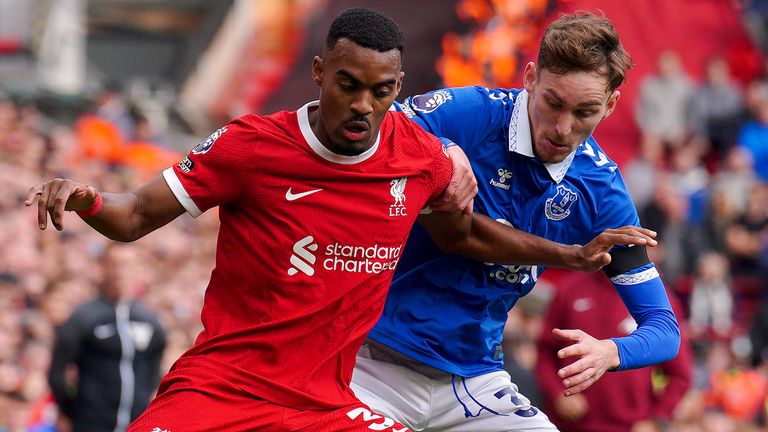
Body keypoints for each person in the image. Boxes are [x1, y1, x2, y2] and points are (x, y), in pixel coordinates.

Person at [25, 8, 653, 432]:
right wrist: (88, 201)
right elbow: (134, 216)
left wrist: (568, 256)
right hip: (223, 387)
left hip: (330, 404)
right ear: (320, 73)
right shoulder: (252, 146)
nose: (362, 106)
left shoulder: (420, 158)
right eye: (347, 84)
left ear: (397, 88)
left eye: (380, 92)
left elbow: (461, 236)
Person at [351, 11, 681, 431]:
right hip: (373, 361)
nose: (563, 128)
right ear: (530, 78)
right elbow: (381, 123)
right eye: (553, 102)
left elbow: (664, 329)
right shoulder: (473, 114)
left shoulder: (602, 192)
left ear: (611, 104)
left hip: (473, 381)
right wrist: (444, 151)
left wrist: (612, 353)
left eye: (585, 111)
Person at [535, 271, 692, 432]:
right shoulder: (570, 287)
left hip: (630, 426)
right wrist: (557, 394)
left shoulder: (655, 298)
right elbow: (545, 352)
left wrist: (656, 420)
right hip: (569, 424)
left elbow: (680, 374)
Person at [47, 243, 166, 432]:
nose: (120, 272)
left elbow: (155, 370)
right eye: (114, 264)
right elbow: (57, 371)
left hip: (136, 423)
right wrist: (70, 411)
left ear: (138, 269)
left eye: (127, 265)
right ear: (102, 267)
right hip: (90, 423)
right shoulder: (84, 317)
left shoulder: (149, 320)